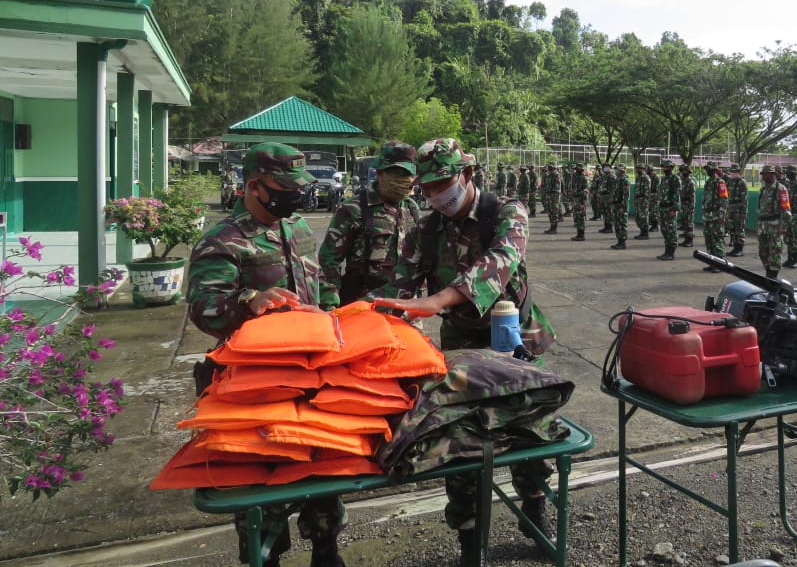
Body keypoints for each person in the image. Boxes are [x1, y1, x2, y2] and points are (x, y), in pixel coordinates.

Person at [377, 138, 557, 566]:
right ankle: (470, 541)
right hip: (461, 344)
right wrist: (376, 315)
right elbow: (401, 284)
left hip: (517, 340)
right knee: (462, 442)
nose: (437, 194)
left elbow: (500, 260)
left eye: (444, 182)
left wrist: (437, 300)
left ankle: (534, 509)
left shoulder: (506, 212)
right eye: (429, 187)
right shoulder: (426, 229)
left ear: (468, 175)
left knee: (530, 431)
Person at [186, 142, 345, 567]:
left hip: (313, 378)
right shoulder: (223, 240)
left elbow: (322, 284)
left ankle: (326, 550)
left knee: (324, 472)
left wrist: (335, 319)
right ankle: (266, 555)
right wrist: (249, 300)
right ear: (254, 185)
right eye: (286, 187)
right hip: (256, 388)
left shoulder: (298, 228)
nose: (298, 196)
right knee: (262, 486)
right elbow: (203, 307)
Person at [319, 141, 421, 305]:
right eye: (398, 173)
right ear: (380, 173)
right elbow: (329, 261)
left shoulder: (411, 208)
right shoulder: (354, 209)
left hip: (406, 305)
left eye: (409, 174)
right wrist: (330, 303)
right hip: (365, 305)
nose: (405, 180)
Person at [756, 165, 792, 278]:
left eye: (769, 174)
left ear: (774, 175)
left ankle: (773, 276)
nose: (766, 176)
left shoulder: (780, 189)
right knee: (762, 251)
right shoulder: (763, 190)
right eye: (764, 174)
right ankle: (768, 270)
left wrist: (783, 227)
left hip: (775, 225)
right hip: (763, 226)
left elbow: (786, 210)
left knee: (775, 252)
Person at [701, 162, 728, 270]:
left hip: (716, 215)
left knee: (717, 239)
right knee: (709, 239)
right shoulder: (708, 182)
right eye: (707, 169)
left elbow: (724, 200)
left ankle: (719, 264)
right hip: (708, 215)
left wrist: (721, 215)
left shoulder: (720, 182)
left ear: (714, 170)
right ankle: (712, 262)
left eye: (709, 169)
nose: (707, 171)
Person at [656, 158, 681, 261]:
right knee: (664, 230)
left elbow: (677, 194)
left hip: (670, 208)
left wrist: (674, 208)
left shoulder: (675, 178)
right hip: (663, 208)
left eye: (667, 167)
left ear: (671, 168)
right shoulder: (664, 179)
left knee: (671, 230)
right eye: (664, 167)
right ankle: (666, 251)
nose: (665, 169)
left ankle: (671, 253)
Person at [725, 164, 749, 257]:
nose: (733, 173)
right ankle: (735, 247)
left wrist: (744, 212)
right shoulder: (729, 181)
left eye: (735, 172)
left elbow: (745, 199)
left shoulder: (742, 182)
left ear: (739, 172)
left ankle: (740, 248)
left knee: (739, 229)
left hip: (739, 209)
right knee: (732, 229)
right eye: (732, 172)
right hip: (731, 208)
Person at [610, 164, 630, 249]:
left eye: (617, 170)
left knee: (622, 224)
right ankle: (619, 241)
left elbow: (626, 195)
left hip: (621, 205)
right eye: (616, 170)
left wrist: (624, 207)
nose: (616, 171)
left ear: (622, 171)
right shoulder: (617, 180)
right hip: (616, 205)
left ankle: (623, 243)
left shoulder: (625, 180)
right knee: (617, 224)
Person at [569, 161, 589, 241]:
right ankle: (578, 234)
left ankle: (581, 235)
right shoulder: (574, 176)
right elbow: (572, 188)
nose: (576, 170)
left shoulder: (583, 178)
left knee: (580, 218)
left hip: (580, 200)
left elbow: (585, 191)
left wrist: (582, 203)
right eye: (576, 168)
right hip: (575, 200)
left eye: (578, 169)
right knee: (576, 217)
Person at [677, 164, 696, 247]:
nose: (681, 173)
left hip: (689, 206)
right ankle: (686, 238)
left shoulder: (690, 183)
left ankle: (689, 240)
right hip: (684, 205)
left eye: (683, 171)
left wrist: (691, 208)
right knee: (685, 222)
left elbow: (693, 197)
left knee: (689, 223)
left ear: (687, 172)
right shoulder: (683, 181)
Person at [541, 161, 562, 235]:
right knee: (550, 212)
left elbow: (557, 187)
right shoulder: (549, 175)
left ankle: (554, 228)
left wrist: (551, 192)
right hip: (549, 196)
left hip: (554, 196)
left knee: (554, 212)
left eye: (550, 167)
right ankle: (551, 227)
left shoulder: (556, 175)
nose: (549, 168)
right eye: (548, 166)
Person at [632, 162, 651, 240]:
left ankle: (645, 233)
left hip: (643, 200)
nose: (638, 170)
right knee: (638, 217)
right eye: (637, 168)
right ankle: (641, 232)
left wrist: (644, 201)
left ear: (643, 169)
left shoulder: (646, 178)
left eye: (640, 168)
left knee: (644, 217)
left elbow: (647, 191)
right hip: (638, 200)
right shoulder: (638, 178)